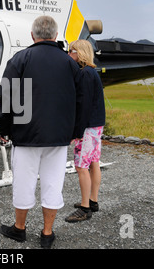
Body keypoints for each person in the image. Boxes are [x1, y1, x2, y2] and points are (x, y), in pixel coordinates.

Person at [0, 16, 83, 248]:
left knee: (23, 182)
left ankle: (20, 229)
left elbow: (7, 95)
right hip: (59, 137)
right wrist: (75, 130)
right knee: (53, 183)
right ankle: (46, 233)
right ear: (55, 36)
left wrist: (3, 128)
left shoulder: (20, 59)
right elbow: (81, 100)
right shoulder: (70, 63)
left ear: (33, 36)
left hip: (25, 135)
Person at [65, 39, 106, 222]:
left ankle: (84, 208)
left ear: (79, 52)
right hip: (96, 125)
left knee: (81, 165)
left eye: (71, 50)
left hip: (88, 127)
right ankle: (93, 200)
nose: (68, 54)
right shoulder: (92, 72)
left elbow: (83, 106)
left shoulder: (85, 74)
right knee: (94, 162)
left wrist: (76, 132)